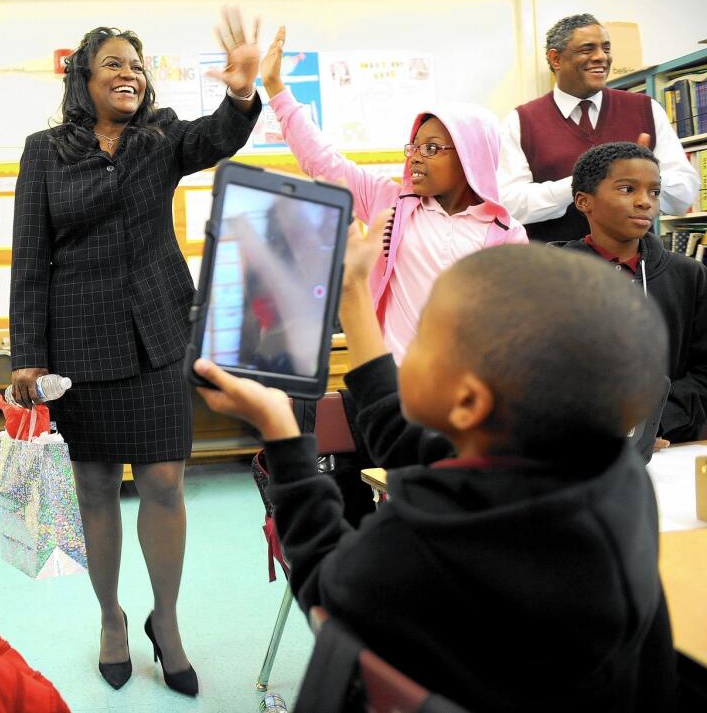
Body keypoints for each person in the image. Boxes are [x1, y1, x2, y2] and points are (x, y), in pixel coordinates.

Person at [197, 228, 676, 712]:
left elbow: (325, 590)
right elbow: (397, 433)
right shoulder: (607, 474)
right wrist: (354, 295)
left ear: (468, 402)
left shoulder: (425, 542)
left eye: (423, 336)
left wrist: (282, 435)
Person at [8, 6, 262, 696]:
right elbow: (29, 258)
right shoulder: (45, 150)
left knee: (165, 483)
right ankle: (111, 618)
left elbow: (218, 136)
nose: (131, 72)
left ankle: (167, 620)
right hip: (77, 343)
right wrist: (25, 354)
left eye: (138, 63)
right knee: (94, 488)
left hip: (156, 335)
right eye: (114, 62)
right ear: (83, 79)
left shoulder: (160, 137)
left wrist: (240, 93)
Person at [261, 26, 526, 362]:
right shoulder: (389, 202)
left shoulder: (506, 233)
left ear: (470, 157)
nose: (415, 156)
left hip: (458, 390)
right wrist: (274, 87)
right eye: (414, 147)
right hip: (391, 382)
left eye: (431, 148)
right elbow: (322, 161)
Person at [553, 141, 707, 445]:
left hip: (671, 443)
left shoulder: (690, 275)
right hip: (576, 446)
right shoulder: (552, 275)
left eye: (654, 192)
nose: (644, 202)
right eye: (627, 189)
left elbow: (703, 371)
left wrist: (653, 424)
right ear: (584, 202)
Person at [498, 13, 700, 243]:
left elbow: (684, 195)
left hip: (633, 271)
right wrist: (580, 183)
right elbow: (508, 204)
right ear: (556, 59)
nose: (601, 57)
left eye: (606, 48)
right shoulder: (521, 121)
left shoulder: (646, 109)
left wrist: (637, 181)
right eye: (587, 49)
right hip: (554, 269)